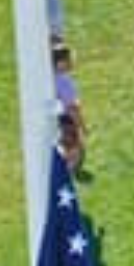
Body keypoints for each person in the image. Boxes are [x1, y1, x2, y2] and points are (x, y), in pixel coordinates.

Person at [52, 39, 86, 172]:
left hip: (54, 119)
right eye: (69, 60)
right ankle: (68, 171)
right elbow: (72, 107)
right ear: (61, 63)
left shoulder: (49, 77)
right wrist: (82, 125)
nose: (72, 62)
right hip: (66, 119)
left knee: (63, 146)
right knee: (75, 148)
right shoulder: (64, 81)